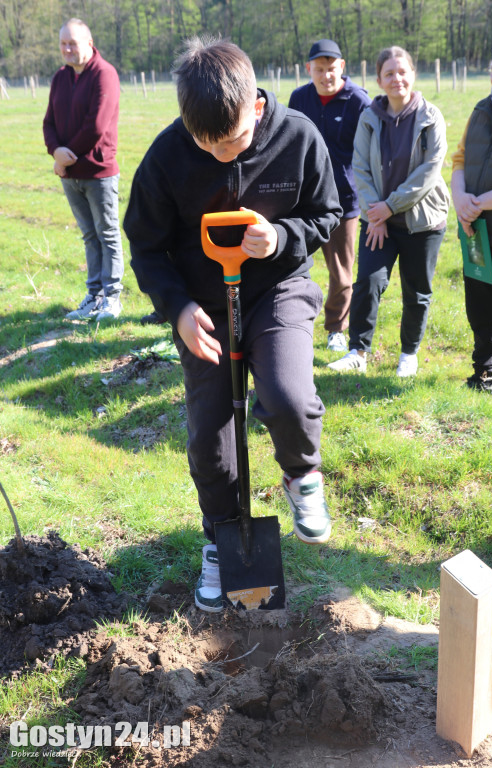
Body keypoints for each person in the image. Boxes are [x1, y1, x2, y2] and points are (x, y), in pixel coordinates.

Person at [124, 38, 342, 613]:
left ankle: (302, 476)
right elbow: (144, 245)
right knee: (209, 441)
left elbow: (327, 213)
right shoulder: (167, 156)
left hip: (277, 291)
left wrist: (283, 237)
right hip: (203, 308)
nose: (222, 154)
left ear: (258, 107)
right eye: (207, 144)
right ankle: (221, 539)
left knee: (289, 397)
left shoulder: (298, 137)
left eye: (235, 140)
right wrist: (176, 308)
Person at [329, 46, 449, 377]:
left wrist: (388, 207)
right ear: (379, 81)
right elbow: (360, 167)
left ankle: (409, 353)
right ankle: (358, 352)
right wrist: (376, 214)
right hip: (379, 221)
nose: (397, 78)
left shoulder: (431, 116)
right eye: (389, 73)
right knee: (368, 282)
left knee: (416, 290)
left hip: (422, 221)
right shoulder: (369, 117)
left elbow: (429, 171)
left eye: (402, 72)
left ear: (413, 75)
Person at [289, 39, 371, 354]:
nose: (326, 76)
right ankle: (292, 322)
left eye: (331, 69)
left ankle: (336, 328)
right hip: (302, 200)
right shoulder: (299, 98)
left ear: (342, 67)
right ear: (308, 69)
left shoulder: (358, 101)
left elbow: (370, 152)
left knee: (341, 273)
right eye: (319, 69)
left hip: (342, 202)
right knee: (291, 263)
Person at [43, 18, 124, 320]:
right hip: (69, 175)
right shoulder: (60, 77)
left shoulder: (105, 74)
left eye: (72, 43)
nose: (67, 49)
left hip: (99, 173)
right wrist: (55, 151)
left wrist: (66, 156)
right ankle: (94, 295)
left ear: (89, 43)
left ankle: (112, 298)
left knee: (107, 235)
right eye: (63, 43)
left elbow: (96, 126)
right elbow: (48, 122)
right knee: (90, 236)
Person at [451, 41, 492, 393]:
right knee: (481, 309)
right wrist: (460, 199)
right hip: (478, 235)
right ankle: (484, 376)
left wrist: (478, 203)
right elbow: (460, 159)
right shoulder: (480, 110)